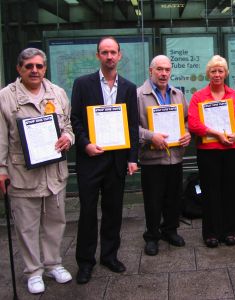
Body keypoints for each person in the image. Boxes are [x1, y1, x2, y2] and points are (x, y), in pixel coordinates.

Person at [0, 48, 73, 294]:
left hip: (54, 173)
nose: (35, 70)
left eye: (39, 66)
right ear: (19, 69)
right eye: (29, 66)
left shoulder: (58, 93)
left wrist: (67, 138)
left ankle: (54, 263)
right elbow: (0, 139)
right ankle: (33, 271)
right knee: (27, 226)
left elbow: (69, 126)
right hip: (23, 174)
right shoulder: (6, 98)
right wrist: (1, 169)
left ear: (45, 68)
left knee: (55, 222)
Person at [71, 36, 139, 284]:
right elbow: (75, 119)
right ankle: (85, 262)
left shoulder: (129, 88)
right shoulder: (82, 84)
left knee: (113, 211)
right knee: (88, 212)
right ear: (98, 55)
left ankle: (109, 256)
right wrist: (85, 144)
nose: (109, 56)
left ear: (120, 55)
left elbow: (132, 125)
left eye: (113, 52)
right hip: (91, 158)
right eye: (104, 52)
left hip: (117, 160)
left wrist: (133, 158)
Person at [188, 55, 235, 248]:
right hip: (208, 151)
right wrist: (216, 134)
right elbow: (194, 124)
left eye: (220, 71)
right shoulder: (198, 96)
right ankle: (211, 233)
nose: (217, 74)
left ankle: (232, 231)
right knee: (211, 191)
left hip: (232, 149)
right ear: (208, 73)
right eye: (213, 71)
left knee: (231, 191)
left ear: (226, 73)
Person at [137, 55, 191, 256]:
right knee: (153, 200)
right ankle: (152, 236)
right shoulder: (138, 95)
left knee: (173, 197)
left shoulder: (177, 94)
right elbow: (131, 128)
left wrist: (187, 134)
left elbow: (186, 121)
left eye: (167, 70)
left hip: (175, 156)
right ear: (151, 71)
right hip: (152, 159)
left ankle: (170, 230)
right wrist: (151, 137)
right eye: (159, 69)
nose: (163, 73)